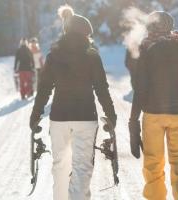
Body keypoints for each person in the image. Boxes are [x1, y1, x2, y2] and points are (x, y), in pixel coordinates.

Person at [30, 5, 117, 200]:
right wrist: (111, 115)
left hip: (59, 118)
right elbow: (102, 89)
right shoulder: (92, 56)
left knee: (60, 165)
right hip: (86, 117)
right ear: (86, 34)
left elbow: (44, 88)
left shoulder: (54, 56)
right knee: (82, 167)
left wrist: (35, 114)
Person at [129, 11, 178, 200]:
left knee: (153, 164)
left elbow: (140, 89)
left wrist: (133, 120)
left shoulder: (146, 48)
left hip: (153, 115)